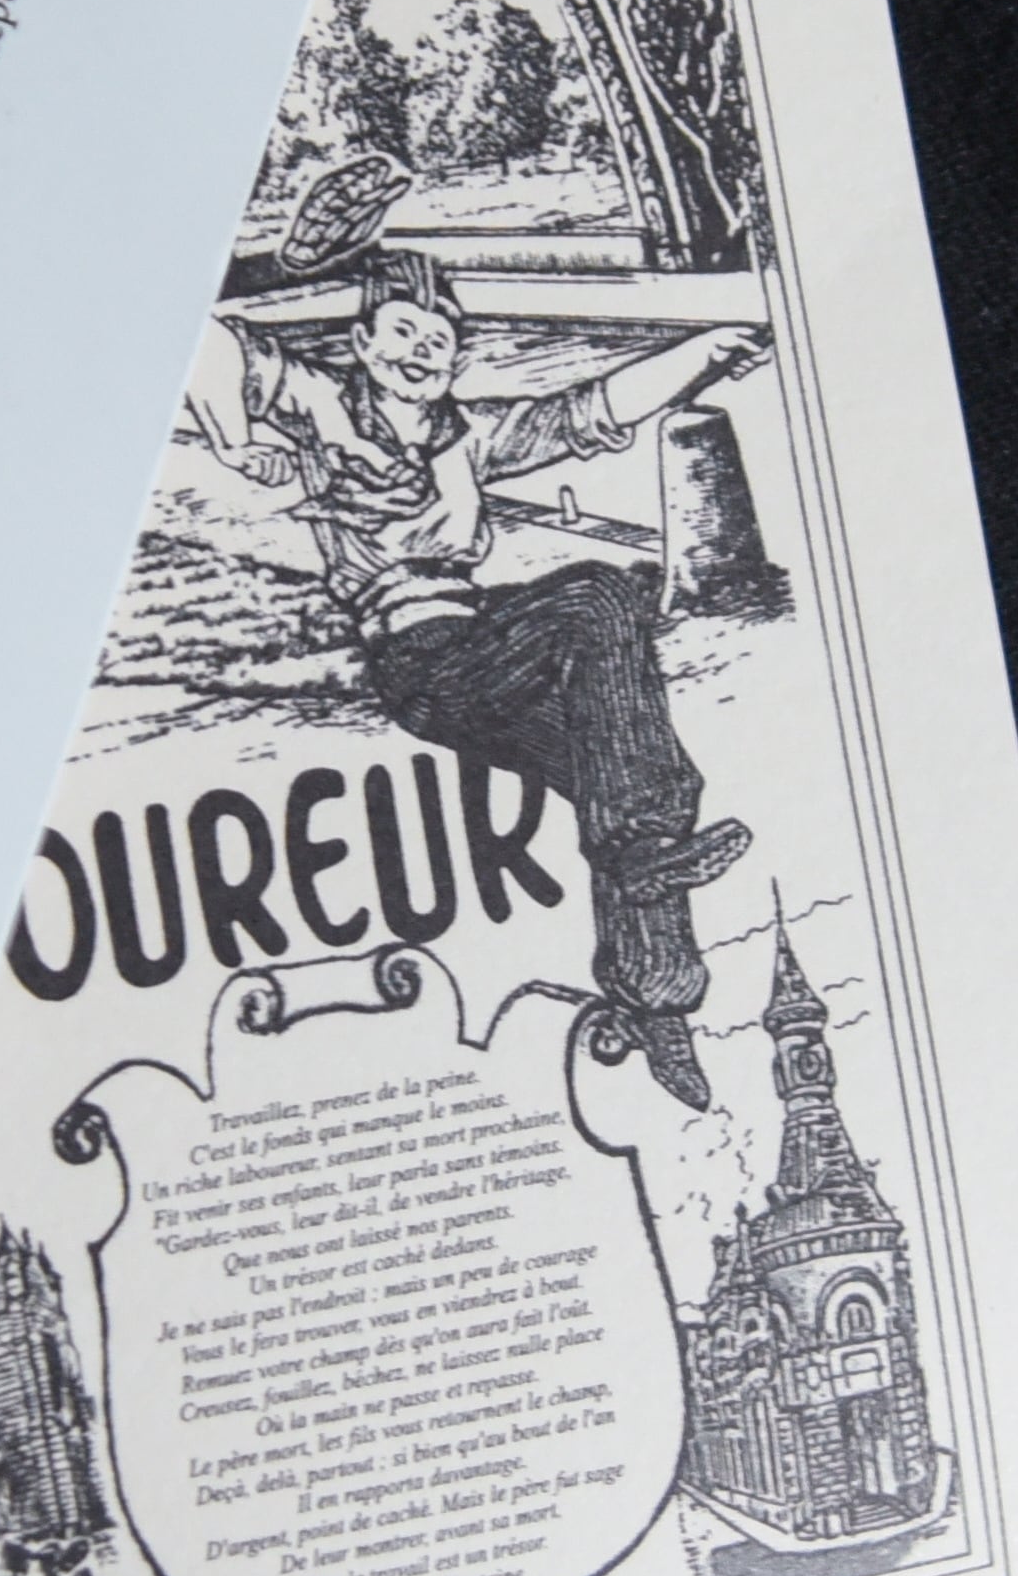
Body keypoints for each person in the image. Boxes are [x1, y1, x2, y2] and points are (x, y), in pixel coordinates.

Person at [183, 246, 766, 1106]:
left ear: (458, 355)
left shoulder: (468, 437)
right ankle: (643, 859)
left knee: (623, 778)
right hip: (423, 663)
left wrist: (702, 352)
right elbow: (205, 340)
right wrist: (236, 443)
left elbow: (588, 410)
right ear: (364, 341)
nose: (419, 352)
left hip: (480, 642)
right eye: (401, 332)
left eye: (439, 339)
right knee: (601, 598)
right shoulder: (320, 406)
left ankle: (656, 1003)